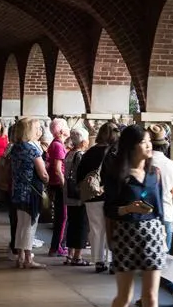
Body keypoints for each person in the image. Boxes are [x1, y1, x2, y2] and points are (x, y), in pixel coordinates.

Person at [103, 123, 169, 307]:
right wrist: (128, 209)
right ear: (131, 147)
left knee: (151, 295)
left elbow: (159, 209)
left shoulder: (155, 173)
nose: (149, 145)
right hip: (126, 233)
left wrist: (163, 234)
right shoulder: (117, 174)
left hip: (152, 233)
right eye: (144, 142)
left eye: (150, 141)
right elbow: (109, 209)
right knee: (125, 294)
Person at [137, 124, 173, 305]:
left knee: (146, 257)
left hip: (146, 215)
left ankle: (149, 295)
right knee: (164, 254)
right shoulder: (170, 164)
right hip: (166, 215)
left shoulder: (143, 164)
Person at [8, 118, 49, 269]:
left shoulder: (16, 147)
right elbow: (43, 174)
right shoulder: (32, 149)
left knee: (21, 225)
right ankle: (27, 259)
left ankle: (20, 257)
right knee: (30, 226)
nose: (40, 131)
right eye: (38, 128)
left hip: (18, 191)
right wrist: (47, 179)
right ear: (30, 130)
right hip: (31, 192)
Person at [79, 122, 119, 272]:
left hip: (91, 196)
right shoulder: (112, 153)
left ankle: (98, 261)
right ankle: (112, 260)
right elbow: (115, 175)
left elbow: (80, 174)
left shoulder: (89, 153)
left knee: (96, 229)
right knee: (111, 228)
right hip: (108, 195)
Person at [63, 129, 90, 265]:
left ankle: (70, 254)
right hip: (78, 195)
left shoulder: (69, 153)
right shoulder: (80, 155)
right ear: (84, 141)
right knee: (81, 224)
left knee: (72, 223)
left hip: (69, 193)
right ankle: (77, 256)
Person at [46, 117, 71, 257]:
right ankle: (57, 247)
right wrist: (64, 186)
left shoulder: (56, 144)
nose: (68, 129)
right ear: (61, 131)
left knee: (61, 216)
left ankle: (57, 246)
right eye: (66, 126)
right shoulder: (58, 145)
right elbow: (57, 169)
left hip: (55, 184)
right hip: (59, 185)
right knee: (62, 217)